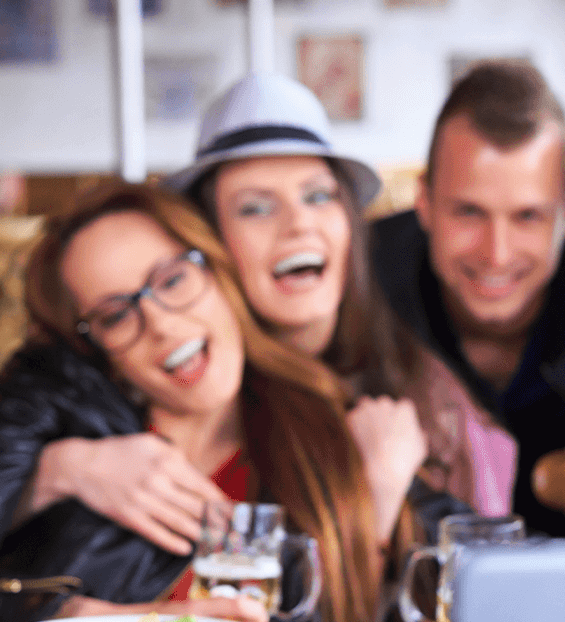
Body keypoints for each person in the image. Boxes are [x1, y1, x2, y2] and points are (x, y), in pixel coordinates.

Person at [0, 184, 416, 622]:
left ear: (219, 270)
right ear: (94, 344)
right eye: (115, 315)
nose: (157, 322)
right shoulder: (49, 399)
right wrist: (61, 476)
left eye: (174, 280)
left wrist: (378, 499)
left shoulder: (320, 419)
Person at [168, 71, 487, 522]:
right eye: (255, 207)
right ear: (211, 240)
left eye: (318, 196)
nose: (299, 224)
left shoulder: (425, 389)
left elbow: (478, 573)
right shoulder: (192, 398)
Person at [374, 60, 565, 538]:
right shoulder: (361, 282)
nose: (497, 253)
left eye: (528, 216)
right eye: (469, 212)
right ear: (424, 202)